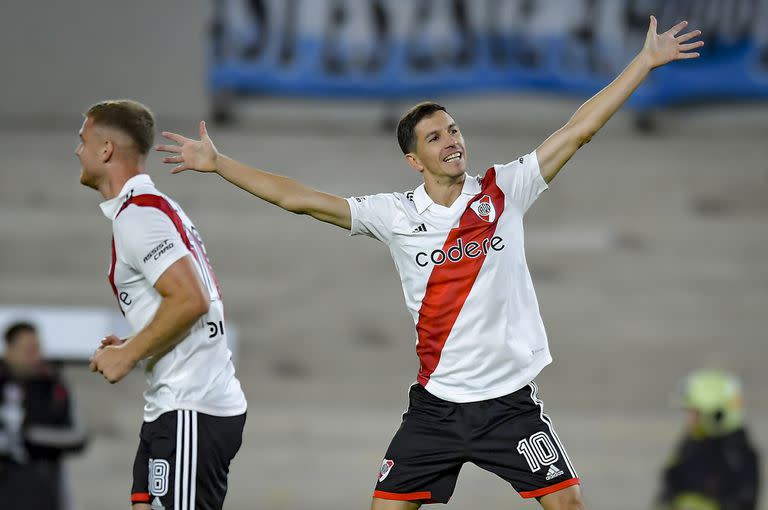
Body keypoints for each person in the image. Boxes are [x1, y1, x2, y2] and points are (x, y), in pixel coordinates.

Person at [157, 17, 702, 510]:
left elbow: (579, 129)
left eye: (455, 130)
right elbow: (297, 197)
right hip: (435, 411)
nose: (453, 142)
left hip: (508, 407)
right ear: (414, 160)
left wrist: (644, 62)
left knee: (570, 507)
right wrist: (219, 163)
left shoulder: (504, 190)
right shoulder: (393, 214)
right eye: (436, 137)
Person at [77, 100, 247, 510]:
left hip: (192, 404)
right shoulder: (148, 210)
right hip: (171, 404)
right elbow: (182, 302)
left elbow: (192, 299)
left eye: (83, 141)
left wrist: (129, 354)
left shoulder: (139, 217)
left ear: (105, 150)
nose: (77, 150)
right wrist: (134, 342)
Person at [0, 321, 87, 510]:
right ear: (9, 350)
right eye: (28, 350)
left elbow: (78, 435)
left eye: (38, 349)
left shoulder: (53, 386)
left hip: (44, 493)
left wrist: (27, 435)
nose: (36, 356)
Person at [655, 370, 759, 510]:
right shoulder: (691, 444)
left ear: (716, 413)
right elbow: (669, 486)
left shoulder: (736, 455)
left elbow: (743, 501)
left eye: (695, 413)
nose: (690, 419)